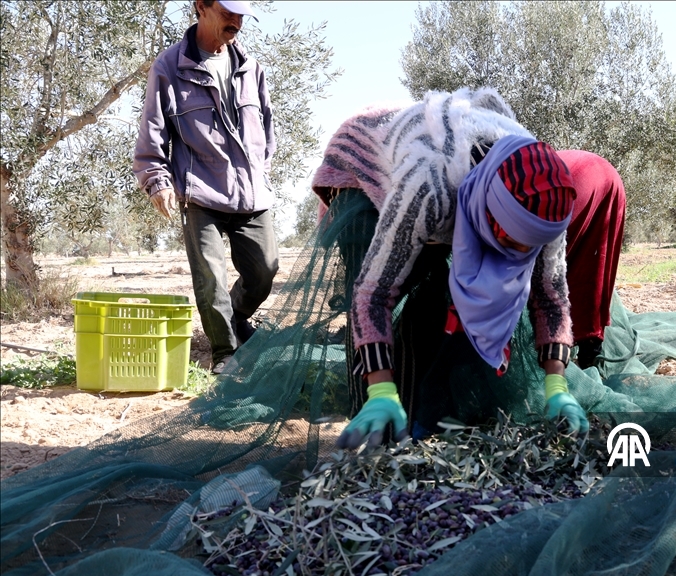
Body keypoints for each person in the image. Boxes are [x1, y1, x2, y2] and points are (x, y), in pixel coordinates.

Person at [311, 89, 625, 449]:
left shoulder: (543, 206)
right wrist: (382, 389)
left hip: (452, 176)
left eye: (529, 247)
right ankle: (373, 409)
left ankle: (421, 416)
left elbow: (551, 297)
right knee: (399, 286)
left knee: (436, 304)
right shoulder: (429, 189)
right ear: (487, 211)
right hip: (367, 168)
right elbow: (373, 293)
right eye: (509, 239)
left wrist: (557, 385)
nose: (516, 255)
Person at [133, 0, 278, 374]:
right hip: (201, 193)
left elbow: (267, 128)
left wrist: (258, 170)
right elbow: (152, 132)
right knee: (211, 277)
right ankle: (224, 353)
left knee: (265, 269)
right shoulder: (169, 68)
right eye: (227, 12)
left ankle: (236, 317)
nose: (236, 21)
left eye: (241, 14)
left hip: (251, 193)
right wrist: (157, 181)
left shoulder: (252, 68)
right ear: (200, 5)